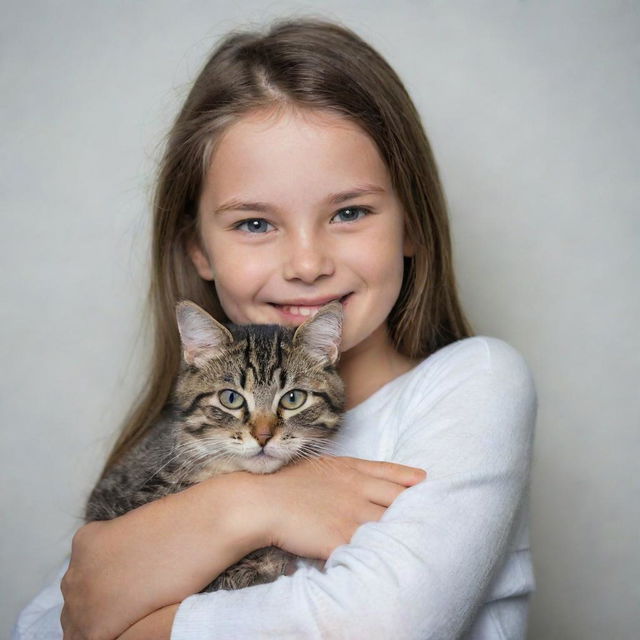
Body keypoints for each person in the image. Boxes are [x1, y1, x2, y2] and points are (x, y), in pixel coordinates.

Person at [13, 17, 536, 640]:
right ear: (198, 251)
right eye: (255, 224)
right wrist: (251, 504)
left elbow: (381, 625)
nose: (308, 265)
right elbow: (39, 627)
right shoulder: (179, 442)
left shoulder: (471, 382)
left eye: (349, 211)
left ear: (413, 226)